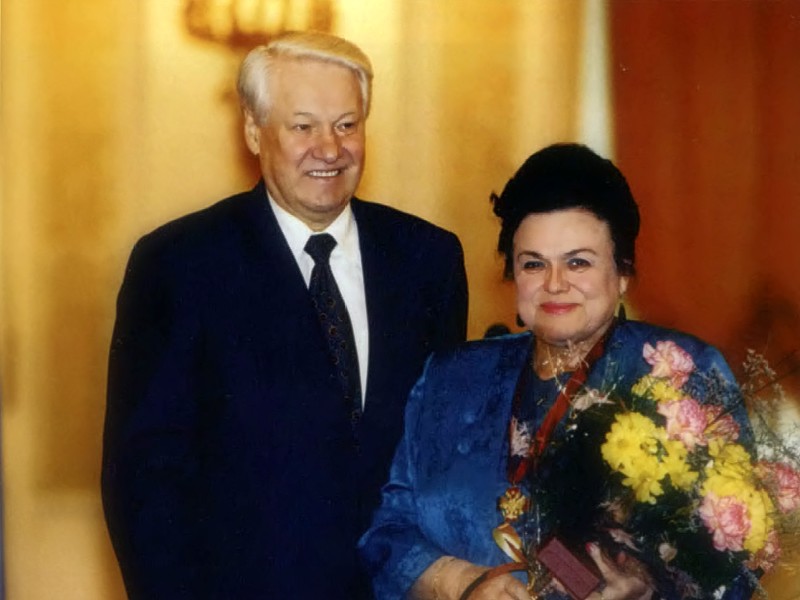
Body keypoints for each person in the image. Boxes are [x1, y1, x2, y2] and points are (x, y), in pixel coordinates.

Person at [101, 31, 468, 599]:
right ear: (254, 131)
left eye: (346, 124)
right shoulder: (179, 265)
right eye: (303, 126)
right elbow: (144, 483)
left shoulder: (427, 259)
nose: (330, 149)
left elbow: (445, 463)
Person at [359, 144, 757, 600]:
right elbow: (387, 535)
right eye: (533, 263)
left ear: (622, 272)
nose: (554, 283)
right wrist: (461, 583)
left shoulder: (681, 375)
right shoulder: (452, 379)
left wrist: (648, 587)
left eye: (577, 262)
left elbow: (737, 558)